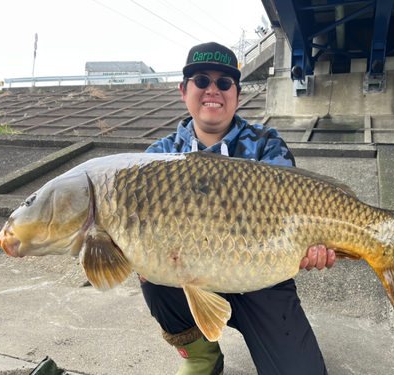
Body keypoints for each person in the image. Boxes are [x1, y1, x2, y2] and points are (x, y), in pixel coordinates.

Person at [141, 42, 336, 375]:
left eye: (224, 83)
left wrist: (315, 244)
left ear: (237, 92)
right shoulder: (158, 156)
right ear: (184, 90)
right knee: (150, 270)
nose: (212, 90)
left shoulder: (266, 144)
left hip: (260, 278)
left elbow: (298, 214)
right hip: (189, 275)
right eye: (201, 80)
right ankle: (201, 357)